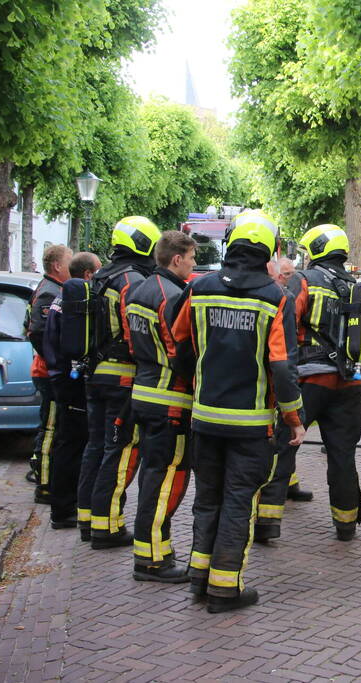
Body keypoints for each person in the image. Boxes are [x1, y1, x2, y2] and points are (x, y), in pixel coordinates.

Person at [171, 215, 305, 613]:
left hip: (205, 418)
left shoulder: (200, 289)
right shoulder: (275, 297)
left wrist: (195, 387)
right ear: (269, 251)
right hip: (250, 426)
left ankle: (199, 577)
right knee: (238, 501)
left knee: (207, 497)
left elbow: (180, 344)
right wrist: (294, 419)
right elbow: (282, 367)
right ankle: (225, 588)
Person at [258, 225, 361, 543]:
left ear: (317, 249)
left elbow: (286, 322)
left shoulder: (306, 280)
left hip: (310, 379)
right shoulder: (354, 286)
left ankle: (267, 523)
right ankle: (346, 524)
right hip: (348, 384)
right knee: (343, 455)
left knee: (284, 446)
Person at [81, 216, 160, 548]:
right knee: (122, 449)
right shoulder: (130, 280)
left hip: (95, 374)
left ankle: (87, 517)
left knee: (96, 446)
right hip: (123, 377)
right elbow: (134, 333)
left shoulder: (101, 275)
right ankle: (106, 527)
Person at [124, 231, 196, 582]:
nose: (195, 264)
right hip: (170, 399)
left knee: (152, 476)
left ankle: (156, 550)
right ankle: (152, 560)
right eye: (192, 257)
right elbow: (179, 350)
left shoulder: (138, 290)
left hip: (144, 393)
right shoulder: (173, 296)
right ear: (177, 258)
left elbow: (130, 341)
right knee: (166, 479)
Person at [45, 252, 102, 529]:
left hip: (59, 376)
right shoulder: (76, 303)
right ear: (89, 275)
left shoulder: (60, 300)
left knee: (67, 441)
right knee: (71, 442)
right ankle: (63, 508)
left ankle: (65, 504)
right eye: (98, 272)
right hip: (70, 379)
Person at [26, 244, 72, 502]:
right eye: (68, 261)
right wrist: (56, 362)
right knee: (50, 428)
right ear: (57, 266)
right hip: (47, 373)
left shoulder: (54, 289)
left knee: (51, 426)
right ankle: (44, 485)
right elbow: (38, 333)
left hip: (48, 370)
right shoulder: (49, 293)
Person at [267, 255, 313, 503]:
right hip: (285, 377)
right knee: (286, 436)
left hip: (298, 371)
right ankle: (271, 507)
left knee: (288, 438)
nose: (290, 279)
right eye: (286, 275)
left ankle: (290, 482)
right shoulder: (280, 300)